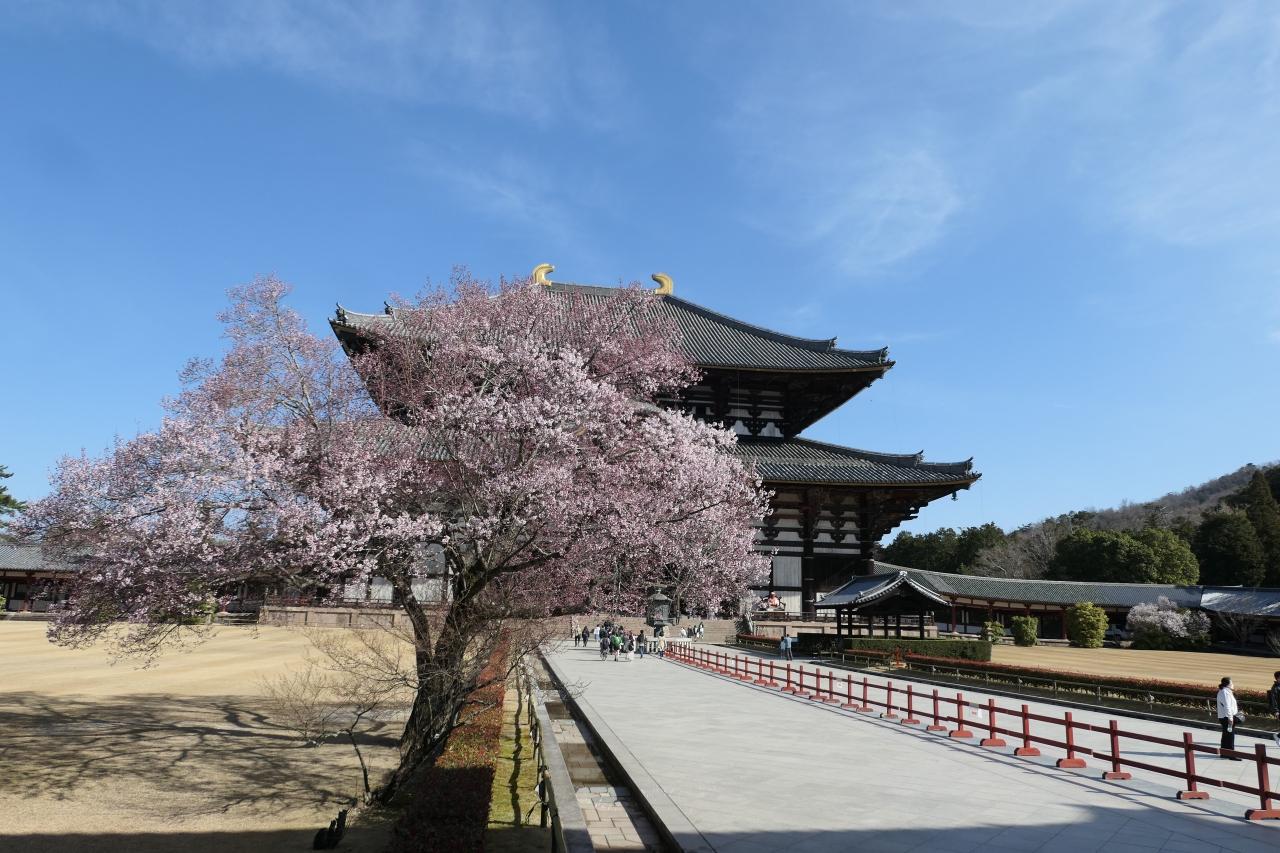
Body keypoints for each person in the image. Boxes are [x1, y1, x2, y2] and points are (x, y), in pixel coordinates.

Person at [1217, 676, 1241, 760]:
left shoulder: (1224, 691)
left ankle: (1224, 753)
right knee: (1230, 736)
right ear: (1228, 684)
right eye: (1231, 682)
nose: (1233, 684)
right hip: (1227, 718)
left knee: (1226, 735)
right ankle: (1231, 755)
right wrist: (1230, 718)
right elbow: (1227, 706)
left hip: (1225, 717)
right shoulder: (1225, 692)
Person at [1269, 670, 1280, 748]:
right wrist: (1276, 711)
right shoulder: (1275, 688)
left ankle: (1278, 736)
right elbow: (1274, 700)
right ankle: (1278, 736)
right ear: (1278, 678)